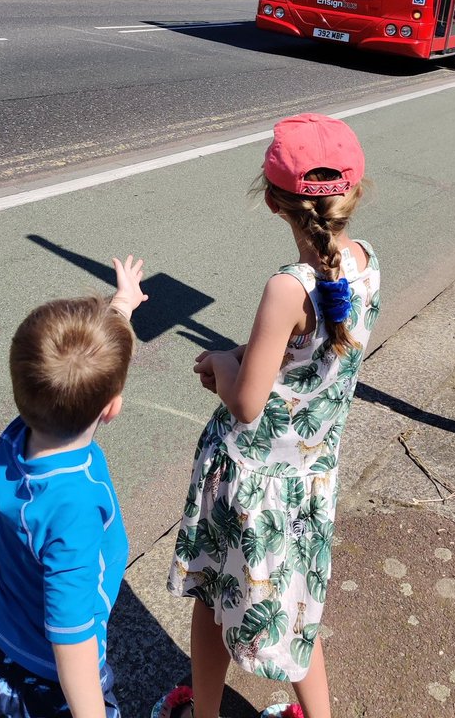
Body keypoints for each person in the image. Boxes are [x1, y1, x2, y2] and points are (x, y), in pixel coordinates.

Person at [163, 114, 380, 718]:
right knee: (301, 609)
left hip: (251, 480)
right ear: (355, 193)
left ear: (272, 202)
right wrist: (243, 356)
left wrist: (222, 366)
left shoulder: (289, 286)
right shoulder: (366, 263)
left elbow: (249, 403)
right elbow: (307, 360)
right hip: (310, 476)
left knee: (212, 598)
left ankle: (203, 713)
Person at [0, 255, 147, 718]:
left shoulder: (17, 438)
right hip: (42, 682)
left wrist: (122, 307)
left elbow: (75, 373)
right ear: (112, 408)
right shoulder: (75, 509)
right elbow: (73, 646)